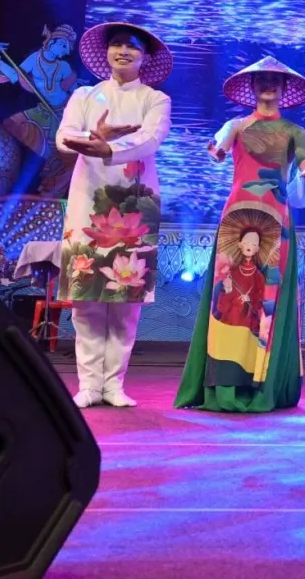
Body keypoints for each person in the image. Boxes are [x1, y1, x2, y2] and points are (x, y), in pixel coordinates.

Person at [175, 57, 305, 413]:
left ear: (284, 88)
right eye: (262, 80)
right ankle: (223, 383)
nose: (268, 85)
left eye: (275, 81)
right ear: (252, 88)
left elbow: (303, 158)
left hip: (276, 220)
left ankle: (262, 385)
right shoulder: (236, 125)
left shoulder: (293, 130)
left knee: (266, 298)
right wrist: (218, 145)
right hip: (237, 218)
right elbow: (217, 153)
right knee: (229, 296)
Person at [57, 22, 173, 409]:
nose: (123, 52)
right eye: (117, 45)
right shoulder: (84, 95)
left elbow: (150, 139)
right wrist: (95, 138)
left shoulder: (155, 99)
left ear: (145, 57)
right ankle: (89, 384)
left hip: (135, 204)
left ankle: (115, 384)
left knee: (125, 300)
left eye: (132, 47)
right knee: (86, 297)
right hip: (88, 200)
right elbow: (63, 137)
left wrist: (108, 146)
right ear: (106, 53)